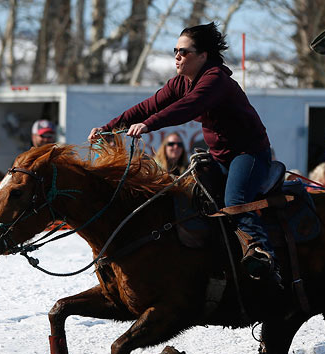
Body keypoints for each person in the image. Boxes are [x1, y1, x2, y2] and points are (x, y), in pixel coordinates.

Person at [88, 22, 284, 282]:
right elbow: (148, 105)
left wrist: (149, 125)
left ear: (203, 56)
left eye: (184, 51)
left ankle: (261, 253)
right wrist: (109, 128)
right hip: (219, 156)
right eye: (175, 50)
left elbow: (189, 107)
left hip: (249, 154)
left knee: (235, 201)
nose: (177, 56)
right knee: (187, 198)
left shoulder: (215, 80)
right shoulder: (181, 82)